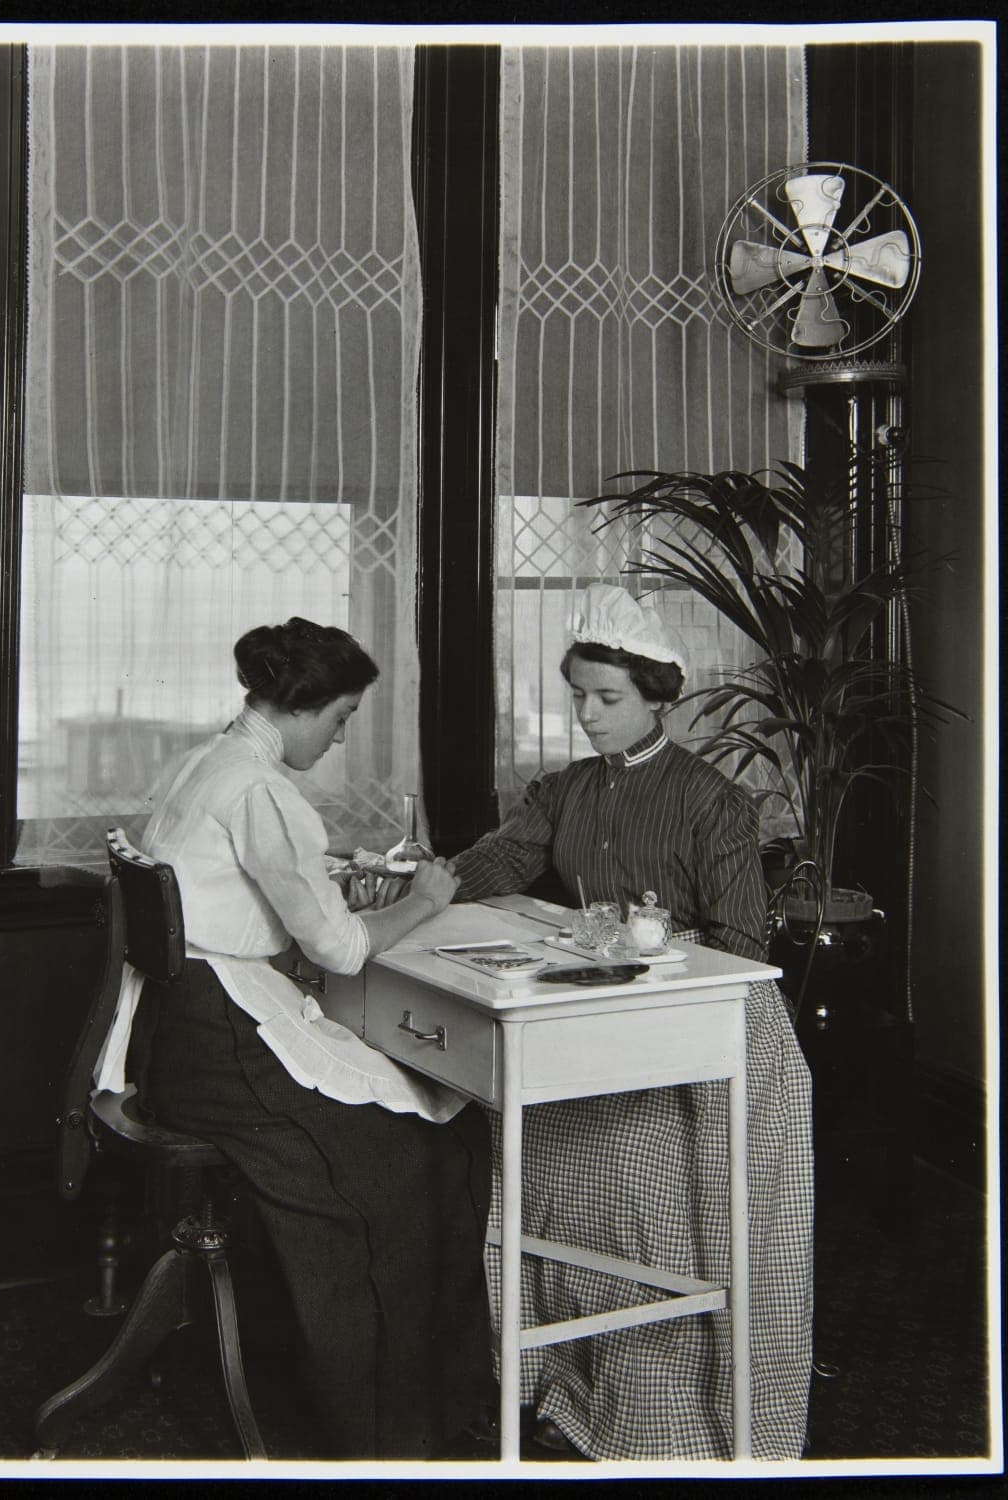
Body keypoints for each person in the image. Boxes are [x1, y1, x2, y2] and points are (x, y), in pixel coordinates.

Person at [96, 616, 495, 1460]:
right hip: (221, 1044)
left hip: (175, 1038)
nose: (342, 736)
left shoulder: (204, 762)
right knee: (424, 1149)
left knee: (423, 1130)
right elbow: (341, 950)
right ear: (306, 709)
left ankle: (394, 1392)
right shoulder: (264, 791)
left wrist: (322, 890)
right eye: (343, 718)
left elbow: (239, 901)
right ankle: (399, 1428)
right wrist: (426, 900)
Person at [445, 585, 813, 1460]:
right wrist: (417, 883)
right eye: (577, 695)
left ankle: (680, 1411)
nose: (586, 715)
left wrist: (646, 961)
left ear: (657, 697)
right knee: (556, 1161)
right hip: (605, 1000)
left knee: (656, 1194)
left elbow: (738, 941)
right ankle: (574, 1387)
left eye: (606, 699)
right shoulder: (565, 788)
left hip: (706, 1015)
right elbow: (501, 858)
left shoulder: (710, 799)